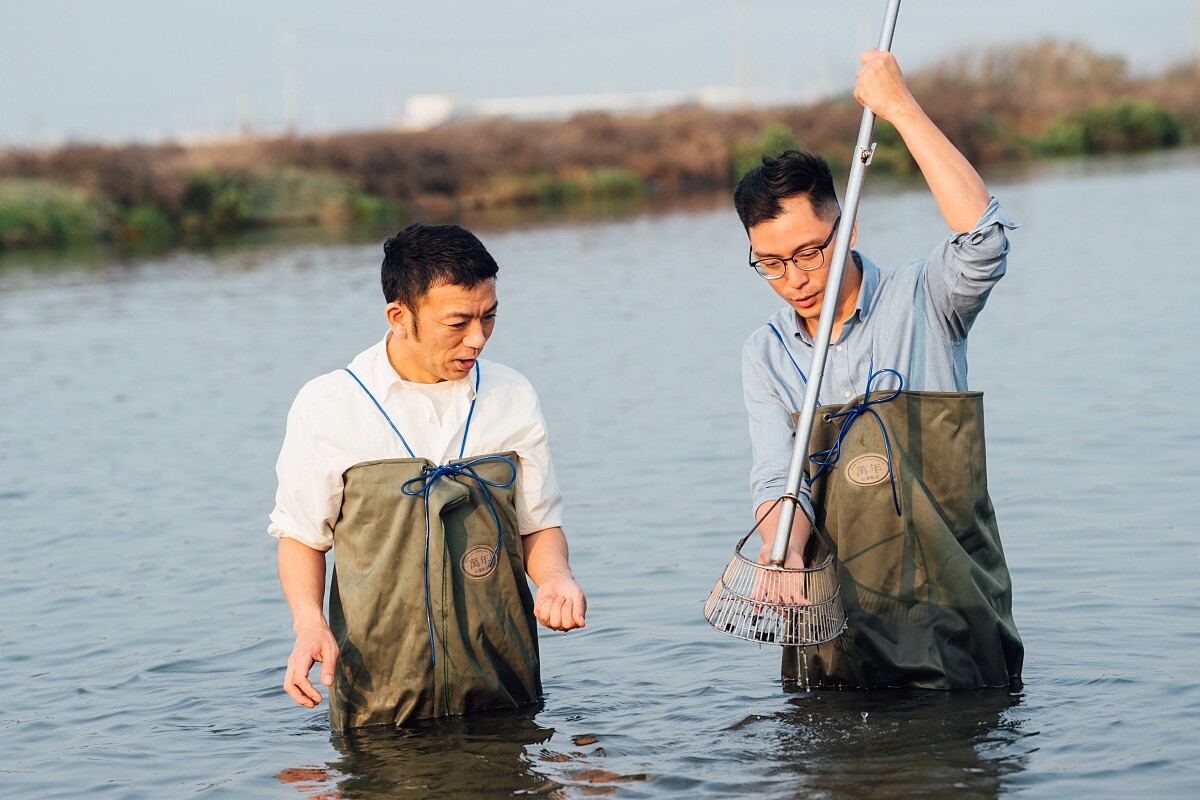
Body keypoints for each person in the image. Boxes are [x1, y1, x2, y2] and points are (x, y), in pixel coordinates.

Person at [733, 50, 1023, 689]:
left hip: (954, 611)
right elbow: (778, 475)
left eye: (811, 252)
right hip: (834, 625)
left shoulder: (927, 299)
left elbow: (986, 239)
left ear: (850, 225)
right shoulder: (766, 354)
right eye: (772, 263)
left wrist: (900, 107)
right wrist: (779, 545)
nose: (796, 279)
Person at [268, 222, 586, 730]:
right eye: (457, 323)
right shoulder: (328, 406)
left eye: (490, 317)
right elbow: (301, 535)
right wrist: (309, 623)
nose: (478, 339)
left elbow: (538, 525)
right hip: (377, 706)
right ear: (400, 316)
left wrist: (556, 579)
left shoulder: (512, 396)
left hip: (505, 691)